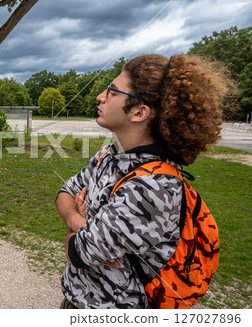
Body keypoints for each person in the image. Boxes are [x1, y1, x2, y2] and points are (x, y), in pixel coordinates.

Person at [56, 54, 231, 309]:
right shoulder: (110, 154)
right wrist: (77, 221)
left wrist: (74, 232)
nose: (100, 97)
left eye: (112, 92)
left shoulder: (153, 187)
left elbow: (78, 252)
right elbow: (65, 192)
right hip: (77, 299)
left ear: (139, 112)